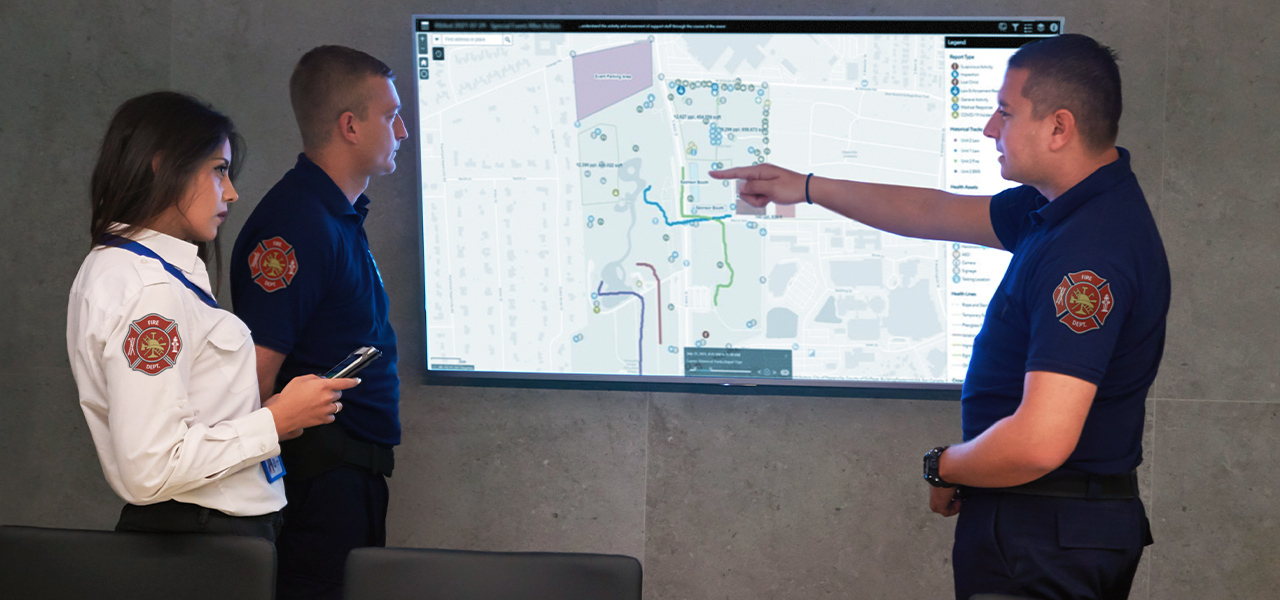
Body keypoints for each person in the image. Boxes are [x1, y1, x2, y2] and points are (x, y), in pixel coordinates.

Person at [711, 34, 1168, 600]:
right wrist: (806, 187)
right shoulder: (1063, 208)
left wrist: (945, 465)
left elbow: (1039, 442)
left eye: (1005, 111)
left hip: (1043, 536)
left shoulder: (1088, 251)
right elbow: (933, 211)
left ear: (1059, 128)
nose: (989, 130)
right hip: (1048, 527)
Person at [66, 92, 358, 541]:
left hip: (203, 535)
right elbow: (152, 467)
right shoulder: (150, 289)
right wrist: (274, 420)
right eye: (218, 170)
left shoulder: (135, 270)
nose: (232, 192)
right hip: (198, 541)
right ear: (162, 167)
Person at [230, 45, 407, 599]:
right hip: (316, 483)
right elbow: (253, 381)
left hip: (347, 479)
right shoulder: (297, 225)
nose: (402, 131)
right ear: (350, 126)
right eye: (390, 116)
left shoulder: (336, 214)